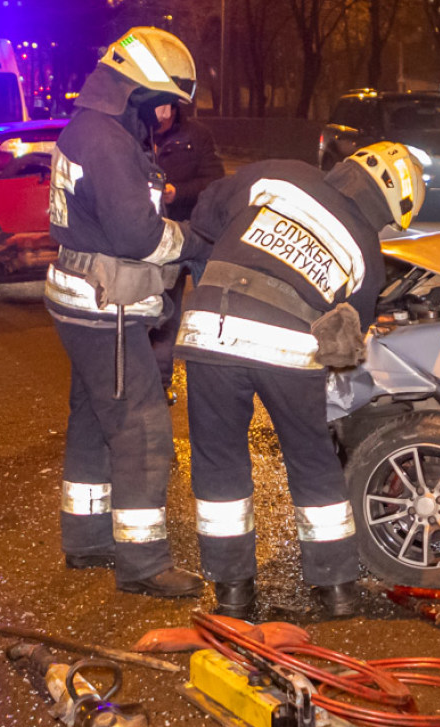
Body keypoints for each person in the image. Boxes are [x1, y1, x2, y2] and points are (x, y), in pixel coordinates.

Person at [175, 142, 425, 618]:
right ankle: (337, 590)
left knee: (220, 461)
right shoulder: (368, 253)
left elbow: (208, 210)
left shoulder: (278, 169)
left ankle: (233, 595)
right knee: (312, 460)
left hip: (212, 332)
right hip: (286, 352)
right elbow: (351, 332)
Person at [43, 27, 209, 599]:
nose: (165, 115)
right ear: (133, 92)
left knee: (93, 419)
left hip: (80, 298)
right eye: (160, 101)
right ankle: (144, 563)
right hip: (105, 309)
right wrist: (191, 241)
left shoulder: (86, 129)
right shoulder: (110, 143)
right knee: (141, 428)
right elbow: (138, 236)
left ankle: (87, 538)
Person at [148, 102, 225, 402]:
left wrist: (177, 191)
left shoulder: (197, 134)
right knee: (164, 311)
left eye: (168, 106)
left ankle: (214, 383)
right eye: (158, 106)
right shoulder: (140, 135)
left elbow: (214, 180)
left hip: (196, 232)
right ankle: (159, 384)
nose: (163, 114)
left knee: (207, 310)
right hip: (159, 236)